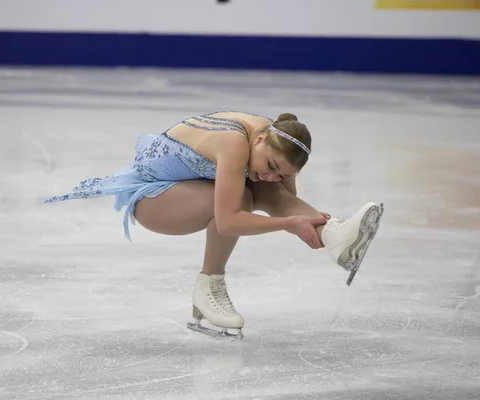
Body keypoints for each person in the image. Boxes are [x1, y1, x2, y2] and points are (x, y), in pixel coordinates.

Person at [45, 111, 383, 339]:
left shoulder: (267, 140)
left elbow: (281, 200)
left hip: (187, 188)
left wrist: (306, 224)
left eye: (284, 173)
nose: (272, 174)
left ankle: (337, 236)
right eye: (271, 165)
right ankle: (209, 287)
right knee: (243, 200)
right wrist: (290, 222)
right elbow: (229, 221)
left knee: (262, 190)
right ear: (261, 140)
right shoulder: (234, 143)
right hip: (151, 200)